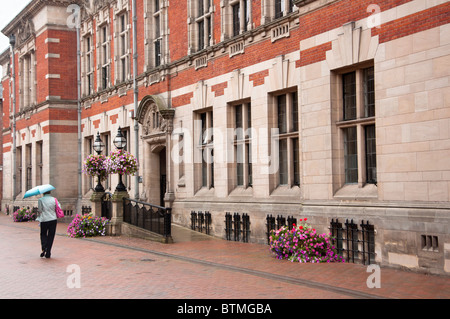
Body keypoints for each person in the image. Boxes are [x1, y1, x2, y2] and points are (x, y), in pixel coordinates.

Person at [37, 191, 59, 258]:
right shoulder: (54, 199)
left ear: (44, 193)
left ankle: (44, 247)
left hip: (44, 219)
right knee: (51, 235)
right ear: (50, 192)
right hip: (53, 219)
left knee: (43, 234)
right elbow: (58, 207)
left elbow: (40, 210)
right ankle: (48, 252)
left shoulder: (40, 200)